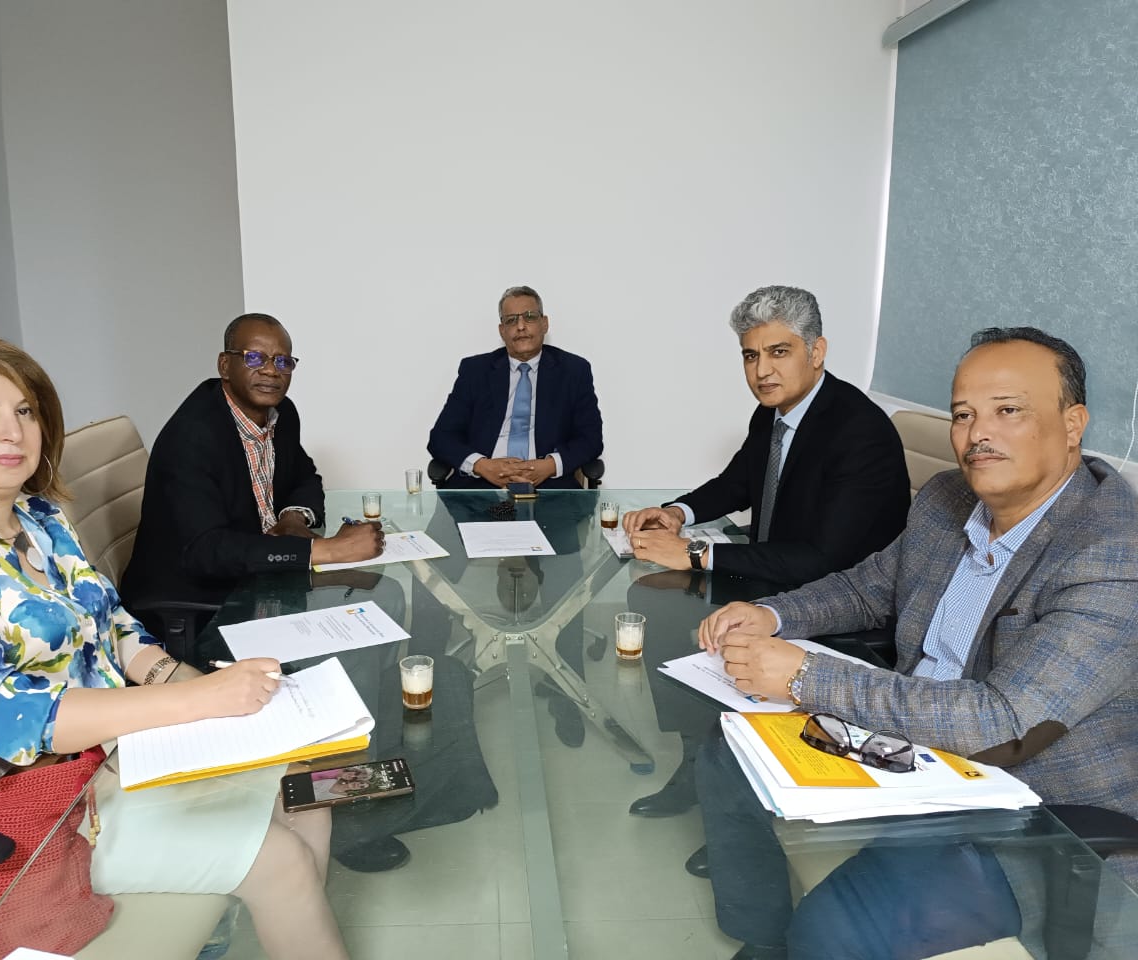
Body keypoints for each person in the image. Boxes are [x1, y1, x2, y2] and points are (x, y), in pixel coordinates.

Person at [0, 333, 350, 960]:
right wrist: (198, 702)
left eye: (24, 410)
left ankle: (273, 929)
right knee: (277, 856)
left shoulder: (38, 517)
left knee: (310, 788)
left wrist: (184, 678)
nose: (12, 433)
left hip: (108, 758)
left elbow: (111, 624)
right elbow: (4, 720)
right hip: (21, 803)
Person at [696, 327, 1138, 960]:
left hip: (1029, 814)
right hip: (911, 749)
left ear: (1073, 424)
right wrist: (771, 614)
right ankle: (763, 940)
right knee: (723, 754)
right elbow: (869, 589)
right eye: (964, 414)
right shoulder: (947, 501)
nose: (977, 434)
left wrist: (803, 676)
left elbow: (1005, 721)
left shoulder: (1112, 552)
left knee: (838, 928)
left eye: (1008, 411)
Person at [623, 286, 910, 820]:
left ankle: (743, 803)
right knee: (658, 595)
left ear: (816, 351)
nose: (762, 371)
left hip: (833, 602)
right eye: (751, 356)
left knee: (688, 593)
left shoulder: (859, 430)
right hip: (775, 574)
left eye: (779, 352)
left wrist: (695, 554)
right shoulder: (774, 413)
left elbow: (825, 560)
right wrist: (677, 513)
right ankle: (698, 767)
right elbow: (736, 482)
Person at [121, 312, 384, 623]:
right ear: (224, 365)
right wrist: (326, 550)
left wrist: (292, 517)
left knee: (380, 591)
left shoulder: (281, 413)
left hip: (262, 574)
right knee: (358, 621)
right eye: (255, 358)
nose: (271, 371)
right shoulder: (191, 437)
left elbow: (304, 475)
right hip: (201, 601)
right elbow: (207, 551)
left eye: (283, 362)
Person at [427, 285, 604, 490]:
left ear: (544, 324)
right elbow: (441, 437)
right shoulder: (476, 371)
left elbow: (591, 439)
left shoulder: (574, 371)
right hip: (480, 488)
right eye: (511, 320)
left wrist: (550, 465)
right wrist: (481, 465)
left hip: (549, 490)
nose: (520, 326)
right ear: (502, 331)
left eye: (529, 317)